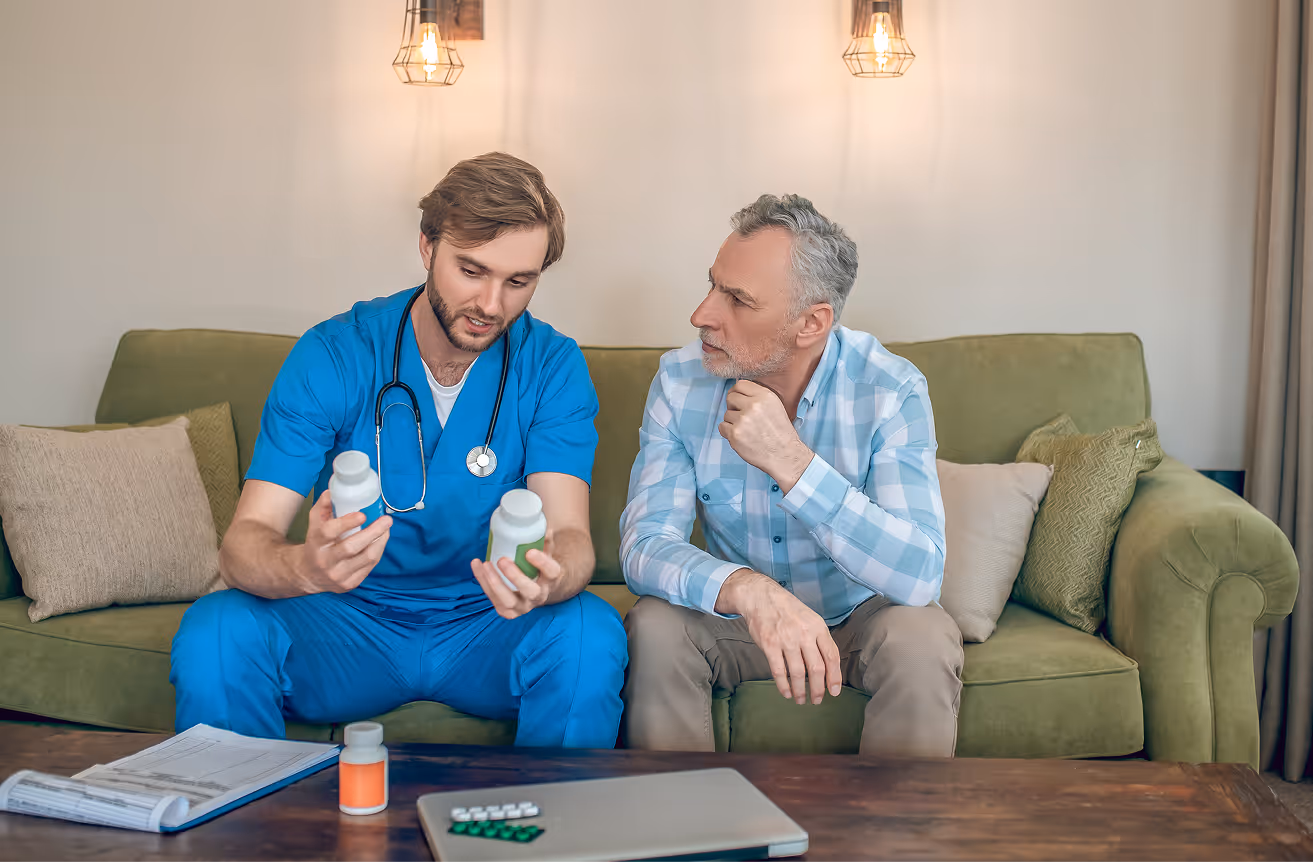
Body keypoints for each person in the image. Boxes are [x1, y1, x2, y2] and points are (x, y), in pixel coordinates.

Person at [171, 152, 627, 747]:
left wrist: (551, 579)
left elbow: (571, 538)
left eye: (519, 282)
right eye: (472, 270)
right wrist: (305, 567)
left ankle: (549, 836)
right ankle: (243, 833)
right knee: (217, 627)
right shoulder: (335, 353)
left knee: (590, 629)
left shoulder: (552, 367)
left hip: (488, 624)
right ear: (426, 246)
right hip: (346, 620)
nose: (492, 304)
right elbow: (244, 544)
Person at [620, 194, 962, 756]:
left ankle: (893, 840)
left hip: (859, 615)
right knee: (656, 626)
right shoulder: (681, 382)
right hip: (740, 621)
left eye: (737, 300)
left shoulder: (889, 389)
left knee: (922, 638)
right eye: (712, 286)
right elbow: (643, 545)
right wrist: (747, 589)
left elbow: (920, 574)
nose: (702, 314)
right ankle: (680, 833)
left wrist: (793, 464)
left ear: (811, 323)